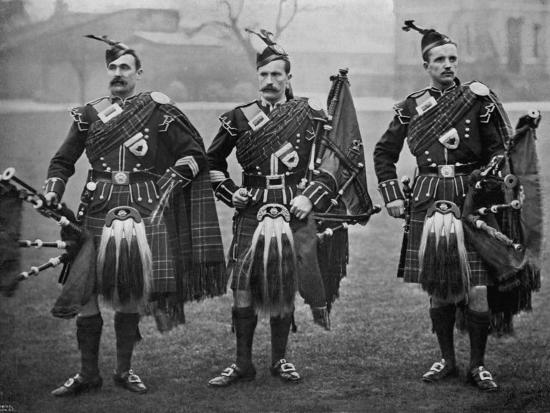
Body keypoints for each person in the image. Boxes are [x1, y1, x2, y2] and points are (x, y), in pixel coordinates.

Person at [43, 35, 225, 396]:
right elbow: (63, 160)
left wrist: (168, 184)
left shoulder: (158, 110)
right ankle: (87, 374)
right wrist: (53, 190)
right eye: (112, 67)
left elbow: (194, 154)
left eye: (125, 67)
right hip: (97, 207)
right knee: (86, 290)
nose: (118, 73)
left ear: (138, 73)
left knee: (129, 290)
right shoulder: (89, 115)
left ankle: (124, 371)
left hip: (143, 207)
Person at [373, 21, 512, 392]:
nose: (448, 65)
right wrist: (393, 195)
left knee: (478, 287)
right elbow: (384, 152)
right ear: (426, 65)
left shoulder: (478, 99)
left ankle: (477, 365)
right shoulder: (411, 106)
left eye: (452, 58)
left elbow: (499, 149)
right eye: (439, 60)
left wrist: (486, 179)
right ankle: (447, 360)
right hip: (430, 195)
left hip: (471, 196)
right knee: (440, 286)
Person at [206, 30, 338, 387]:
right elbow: (212, 161)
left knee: (283, 281)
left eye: (276, 74)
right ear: (257, 77)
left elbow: (333, 161)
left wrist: (310, 196)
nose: (269, 80)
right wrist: (230, 192)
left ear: (288, 78)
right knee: (242, 284)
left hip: (293, 206)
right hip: (253, 207)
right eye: (263, 74)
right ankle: (242, 364)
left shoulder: (310, 114)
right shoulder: (238, 117)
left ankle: (280, 360)